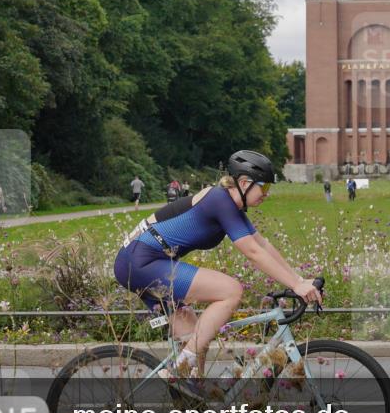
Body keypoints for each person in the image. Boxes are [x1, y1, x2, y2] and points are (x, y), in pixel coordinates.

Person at [113, 150, 321, 395]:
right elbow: (252, 252)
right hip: (141, 261)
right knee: (231, 290)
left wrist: (298, 279)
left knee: (196, 340)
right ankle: (179, 367)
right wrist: (296, 286)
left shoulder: (230, 204)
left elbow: (262, 245)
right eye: (264, 189)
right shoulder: (219, 200)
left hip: (143, 260)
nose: (267, 195)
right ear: (244, 183)